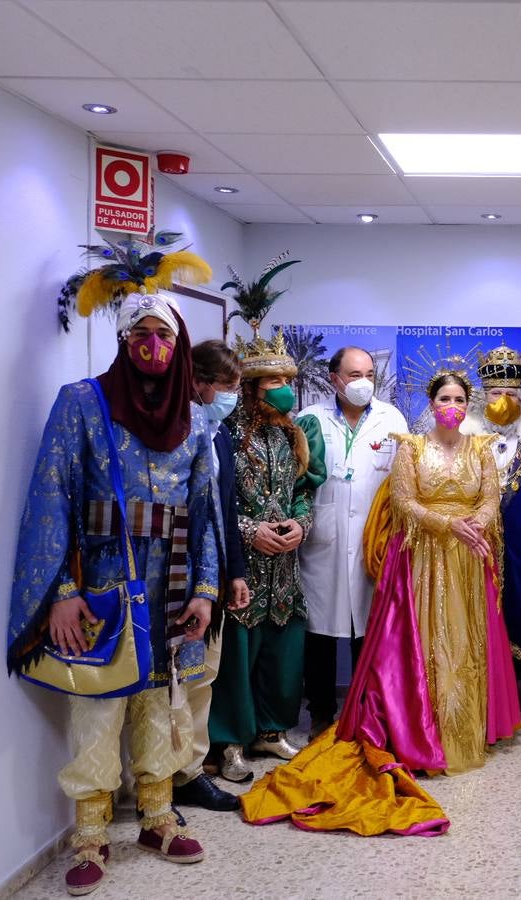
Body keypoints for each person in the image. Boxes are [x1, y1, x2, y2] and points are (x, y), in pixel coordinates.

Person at [7, 292, 220, 895]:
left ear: (179, 346)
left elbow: (205, 511)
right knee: (99, 701)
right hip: (102, 582)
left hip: (172, 580)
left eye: (165, 336)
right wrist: (64, 591)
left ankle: (156, 815)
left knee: (164, 698)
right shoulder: (81, 403)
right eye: (140, 335)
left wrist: (205, 590)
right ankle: (92, 833)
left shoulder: (196, 420)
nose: (153, 347)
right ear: (124, 341)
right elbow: (53, 496)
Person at [241, 370, 519, 820]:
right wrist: (451, 525)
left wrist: (478, 523)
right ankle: (422, 729)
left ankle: (464, 726)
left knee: (466, 644)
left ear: (468, 405)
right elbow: (404, 503)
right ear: (431, 404)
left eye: (459, 398)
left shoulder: (482, 449)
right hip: (424, 557)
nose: (452, 405)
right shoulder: (410, 447)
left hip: (468, 557)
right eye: (444, 397)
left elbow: (489, 498)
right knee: (426, 644)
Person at [208, 326, 323, 773]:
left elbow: (302, 490)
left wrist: (300, 522)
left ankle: (271, 732)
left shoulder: (289, 435)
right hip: (243, 565)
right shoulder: (224, 435)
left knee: (283, 649)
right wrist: (249, 529)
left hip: (285, 567)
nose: (285, 391)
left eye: (286, 382)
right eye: (274, 383)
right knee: (239, 654)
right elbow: (213, 499)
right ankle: (230, 741)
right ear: (252, 389)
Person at [296, 347, 408, 738]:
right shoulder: (310, 419)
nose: (363, 382)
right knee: (321, 634)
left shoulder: (391, 419)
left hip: (372, 541)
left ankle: (365, 714)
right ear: (334, 378)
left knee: (368, 630)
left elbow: (403, 484)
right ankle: (321, 716)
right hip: (322, 542)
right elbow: (299, 481)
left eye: (369, 374)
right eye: (354, 374)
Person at [170, 341, 252, 810]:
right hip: (178, 579)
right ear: (199, 382)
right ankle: (160, 777)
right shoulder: (174, 430)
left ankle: (191, 771)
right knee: (173, 684)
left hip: (213, 579)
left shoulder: (217, 432)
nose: (233, 396)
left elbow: (226, 509)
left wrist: (233, 573)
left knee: (203, 677)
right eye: (228, 387)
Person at [462, 345, 521, 678]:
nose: (503, 400)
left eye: (511, 393)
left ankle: (514, 687)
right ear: (483, 396)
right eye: (495, 392)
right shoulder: (464, 436)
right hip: (475, 541)